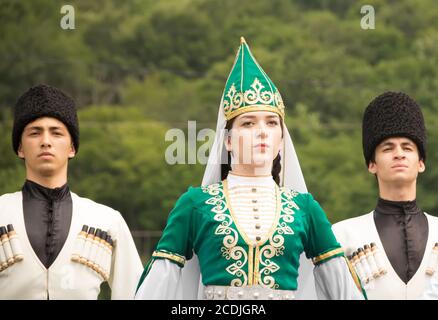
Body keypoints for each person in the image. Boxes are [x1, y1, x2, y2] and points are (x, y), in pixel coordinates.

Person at [135, 37, 364, 300]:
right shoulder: (195, 204)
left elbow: (343, 289)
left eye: (271, 123)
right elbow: (157, 285)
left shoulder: (305, 208)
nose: (262, 132)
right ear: (228, 141)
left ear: (281, 139)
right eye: (248, 123)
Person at [0, 84, 143, 299]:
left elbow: (136, 294)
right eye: (34, 133)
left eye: (56, 133)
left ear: (72, 147)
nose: (46, 142)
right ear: (20, 147)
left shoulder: (107, 222)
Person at [333, 91, 438, 299]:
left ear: (421, 163)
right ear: (372, 164)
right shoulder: (342, 237)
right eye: (387, 148)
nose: (399, 153)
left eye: (407, 147)